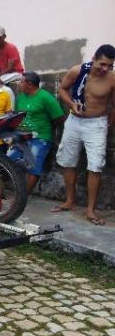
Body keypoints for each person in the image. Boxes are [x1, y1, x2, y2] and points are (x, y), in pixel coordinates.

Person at [52, 44, 115, 225]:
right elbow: (62, 90)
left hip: (97, 124)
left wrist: (110, 123)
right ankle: (70, 201)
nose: (105, 69)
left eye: (110, 66)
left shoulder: (111, 79)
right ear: (94, 58)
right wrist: (71, 104)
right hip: (74, 121)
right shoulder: (77, 71)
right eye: (102, 64)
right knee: (67, 161)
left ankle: (90, 210)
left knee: (95, 166)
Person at [9, 71, 65, 194]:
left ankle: (23, 198)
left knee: (33, 168)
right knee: (8, 161)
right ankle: (15, 195)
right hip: (22, 138)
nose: (18, 84)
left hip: (40, 138)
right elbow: (17, 117)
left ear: (29, 84)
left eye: (21, 82)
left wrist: (43, 128)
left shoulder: (45, 97)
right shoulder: (20, 98)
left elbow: (59, 117)